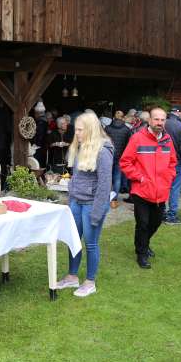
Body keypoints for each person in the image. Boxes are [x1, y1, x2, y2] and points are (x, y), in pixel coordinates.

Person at [55, 112, 113, 297]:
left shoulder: (103, 151)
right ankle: (72, 277)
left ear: (90, 129)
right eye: (76, 129)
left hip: (91, 205)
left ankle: (90, 282)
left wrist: (97, 213)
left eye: (80, 130)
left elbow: (105, 185)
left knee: (91, 244)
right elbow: (77, 178)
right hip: (77, 203)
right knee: (73, 241)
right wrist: (71, 198)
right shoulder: (80, 147)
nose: (77, 133)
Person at [120, 107, 176, 269]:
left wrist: (169, 177)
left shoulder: (167, 139)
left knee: (156, 222)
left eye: (162, 120)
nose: (159, 122)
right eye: (156, 119)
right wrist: (140, 178)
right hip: (142, 191)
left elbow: (172, 162)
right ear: (150, 121)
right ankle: (141, 253)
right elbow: (125, 162)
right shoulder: (137, 138)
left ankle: (144, 243)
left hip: (161, 191)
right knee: (143, 223)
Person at [163, 105, 181, 224]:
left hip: (161, 159)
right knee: (175, 188)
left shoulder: (162, 123)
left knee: (163, 186)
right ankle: (171, 215)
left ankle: (161, 213)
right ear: (179, 113)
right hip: (176, 161)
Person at [105, 112, 132, 208]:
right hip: (120, 157)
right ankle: (114, 199)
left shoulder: (107, 128)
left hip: (108, 155)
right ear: (123, 118)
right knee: (117, 178)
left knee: (107, 177)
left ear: (113, 117)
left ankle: (105, 197)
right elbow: (129, 145)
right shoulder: (127, 129)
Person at [32, 101, 49, 168]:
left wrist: (36, 144)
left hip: (39, 147)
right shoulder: (44, 121)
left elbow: (40, 136)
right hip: (43, 147)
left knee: (38, 165)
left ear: (37, 113)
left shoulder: (40, 122)